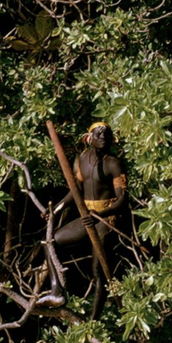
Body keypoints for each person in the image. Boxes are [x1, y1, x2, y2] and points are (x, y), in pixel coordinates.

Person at [37, 122, 128, 316]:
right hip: (88, 216)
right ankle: (56, 290)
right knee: (50, 241)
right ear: (89, 138)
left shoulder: (114, 163)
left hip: (106, 218)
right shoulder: (83, 159)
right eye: (98, 134)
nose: (103, 137)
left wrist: (100, 214)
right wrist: (56, 209)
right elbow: (75, 190)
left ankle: (94, 321)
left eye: (106, 134)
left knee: (98, 270)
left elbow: (122, 200)